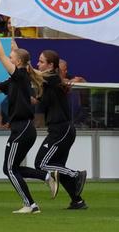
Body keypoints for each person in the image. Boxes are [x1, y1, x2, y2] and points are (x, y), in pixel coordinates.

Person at [0, 20, 56, 214]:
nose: (9, 58)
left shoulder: (21, 74)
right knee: (11, 168)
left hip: (22, 128)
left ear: (18, 62)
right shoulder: (14, 79)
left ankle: (30, 204)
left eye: (12, 57)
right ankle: (46, 177)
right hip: (22, 129)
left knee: (10, 168)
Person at [32, 48, 88, 210]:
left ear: (50, 65)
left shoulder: (53, 77)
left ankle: (76, 174)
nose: (38, 63)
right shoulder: (49, 82)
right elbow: (40, 101)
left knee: (41, 164)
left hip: (61, 130)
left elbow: (31, 72)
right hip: (61, 130)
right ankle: (77, 201)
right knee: (58, 169)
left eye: (41, 61)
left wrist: (21, 64)